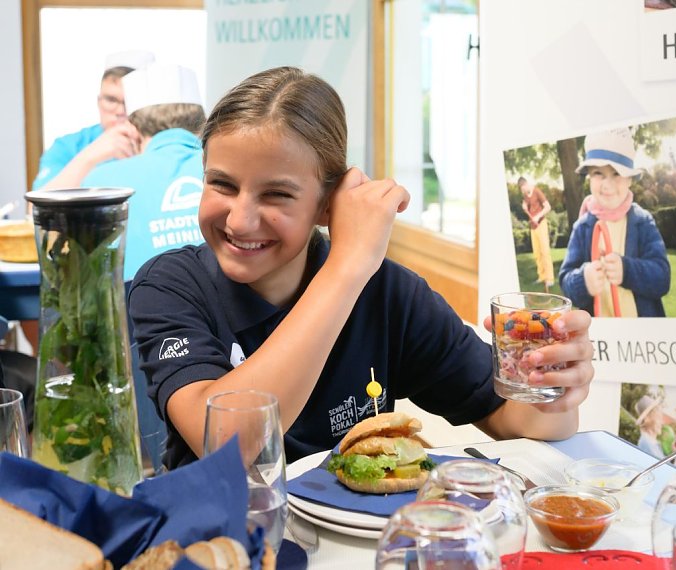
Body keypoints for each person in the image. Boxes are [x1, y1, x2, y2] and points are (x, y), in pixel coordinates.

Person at [127, 67, 595, 471]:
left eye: (276, 194)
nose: (240, 219)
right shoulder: (169, 285)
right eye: (222, 185)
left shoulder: (390, 294)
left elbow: (524, 421)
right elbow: (235, 444)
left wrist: (552, 385)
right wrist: (348, 265)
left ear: (328, 204)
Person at [81, 63, 206, 282]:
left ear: (133, 131)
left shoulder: (100, 183)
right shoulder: (230, 173)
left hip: (132, 311)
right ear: (202, 126)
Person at [558, 128, 670, 317]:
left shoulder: (643, 222)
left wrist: (627, 270)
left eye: (617, 173)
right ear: (589, 177)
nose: (607, 184)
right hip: (598, 338)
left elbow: (662, 279)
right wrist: (583, 280)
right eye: (598, 173)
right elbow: (566, 281)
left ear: (630, 180)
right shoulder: (582, 227)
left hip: (641, 335)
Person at [31, 50, 155, 191]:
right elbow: (35, 208)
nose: (120, 111)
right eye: (111, 100)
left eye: (129, 101)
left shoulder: (160, 144)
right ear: (98, 101)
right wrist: (90, 157)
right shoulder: (69, 146)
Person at [518, 177, 555, 293]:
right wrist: (524, 207)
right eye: (522, 190)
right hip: (533, 226)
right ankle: (541, 276)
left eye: (524, 188)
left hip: (541, 224)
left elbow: (548, 207)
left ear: (527, 184)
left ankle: (550, 278)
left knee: (545, 251)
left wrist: (538, 216)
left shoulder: (537, 191)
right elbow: (526, 206)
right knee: (537, 252)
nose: (524, 191)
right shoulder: (525, 196)